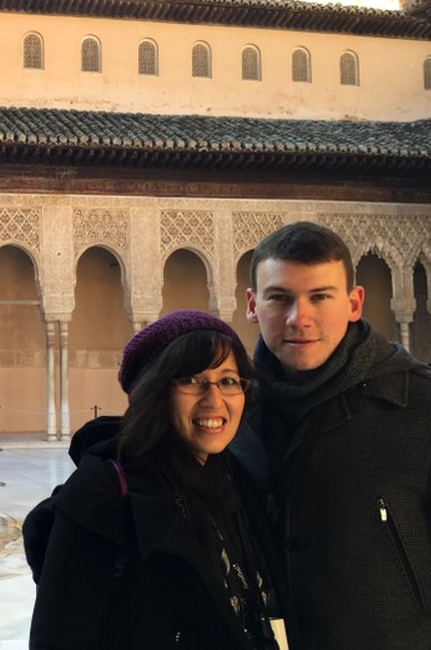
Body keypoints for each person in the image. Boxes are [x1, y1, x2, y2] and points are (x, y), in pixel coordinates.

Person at [28, 310, 289, 650]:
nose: (214, 400)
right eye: (191, 380)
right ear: (154, 392)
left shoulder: (233, 476)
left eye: (228, 380)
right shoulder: (103, 494)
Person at [241, 221, 431, 650]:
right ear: (253, 304)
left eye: (320, 296)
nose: (299, 318)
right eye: (280, 298)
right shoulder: (235, 413)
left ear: (354, 302)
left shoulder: (418, 404)